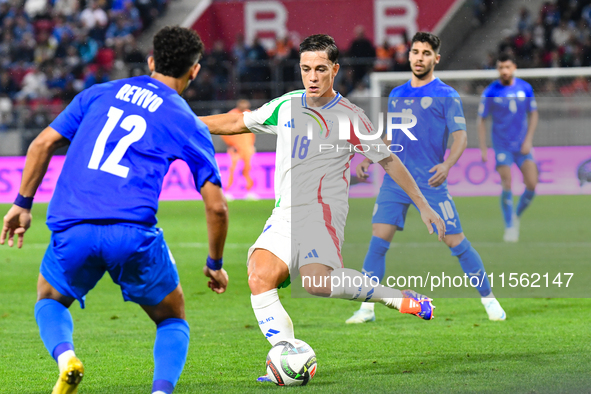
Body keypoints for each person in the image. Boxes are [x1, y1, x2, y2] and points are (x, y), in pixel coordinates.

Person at [200, 34, 445, 381]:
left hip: (322, 212)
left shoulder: (350, 117)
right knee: (258, 275)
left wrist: (423, 205)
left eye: (319, 69)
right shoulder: (286, 106)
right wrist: (188, 124)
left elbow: (389, 161)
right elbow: (238, 121)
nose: (312, 77)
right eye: (305, 69)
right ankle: (288, 357)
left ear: (335, 70)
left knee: (315, 282)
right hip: (285, 213)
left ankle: (395, 298)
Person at [0, 26, 229, 394]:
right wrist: (214, 265)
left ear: (152, 60)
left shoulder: (100, 92)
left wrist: (22, 205)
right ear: (195, 70)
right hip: (132, 234)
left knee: (49, 299)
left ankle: (66, 359)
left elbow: (42, 144)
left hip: (73, 227)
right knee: (172, 319)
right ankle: (160, 391)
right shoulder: (187, 120)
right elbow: (216, 207)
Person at [346, 32, 506, 325]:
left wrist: (446, 165)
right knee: (378, 243)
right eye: (415, 52)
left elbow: (460, 137)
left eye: (425, 53)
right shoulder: (397, 95)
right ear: (409, 56)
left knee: (457, 243)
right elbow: (392, 135)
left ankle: (489, 298)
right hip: (395, 181)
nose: (419, 57)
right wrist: (370, 156)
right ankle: (367, 308)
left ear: (436, 59)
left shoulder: (446, 95)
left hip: (430, 182)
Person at [477, 53, 538, 242]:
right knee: (507, 183)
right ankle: (510, 227)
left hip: (522, 145)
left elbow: (534, 114)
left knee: (532, 184)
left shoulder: (525, 88)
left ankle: (516, 215)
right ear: (498, 69)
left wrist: (528, 140)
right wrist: (483, 147)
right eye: (501, 67)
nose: (504, 71)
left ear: (514, 68)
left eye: (507, 67)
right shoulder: (490, 91)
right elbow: (481, 119)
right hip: (502, 145)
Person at [219, 99, 258, 200]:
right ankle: (227, 191)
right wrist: (231, 144)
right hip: (235, 149)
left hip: (247, 148)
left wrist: (251, 145)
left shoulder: (249, 114)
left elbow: (252, 132)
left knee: (248, 170)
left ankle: (250, 191)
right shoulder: (232, 115)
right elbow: (223, 132)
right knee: (233, 170)